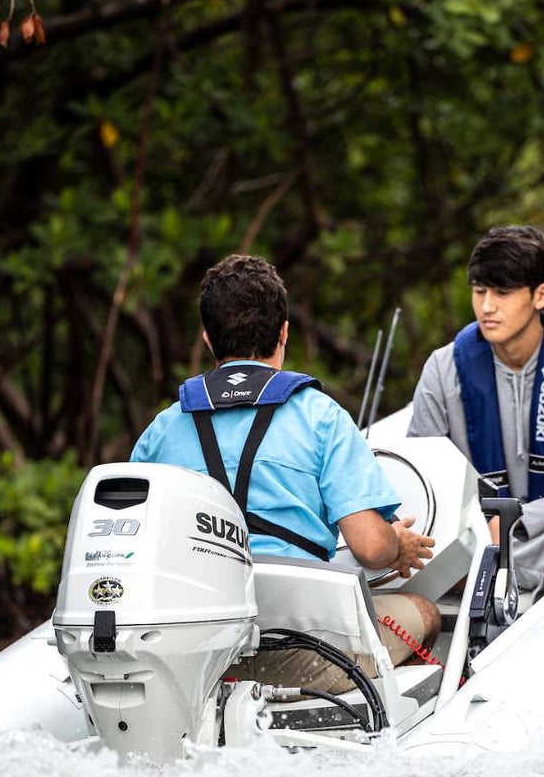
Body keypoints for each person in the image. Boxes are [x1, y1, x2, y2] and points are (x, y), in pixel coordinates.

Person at [131, 254, 441, 678]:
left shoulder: (163, 428)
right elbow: (370, 549)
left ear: (207, 339)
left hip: (191, 653)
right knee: (425, 612)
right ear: (283, 333)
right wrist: (398, 546)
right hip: (297, 648)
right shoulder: (320, 416)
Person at [408, 224, 544, 593]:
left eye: (503, 293)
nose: (487, 307)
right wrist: (479, 524)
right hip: (478, 534)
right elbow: (424, 481)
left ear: (541, 295)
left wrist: (515, 519)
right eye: (479, 292)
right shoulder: (443, 369)